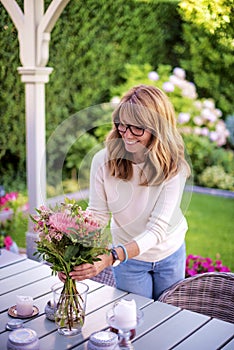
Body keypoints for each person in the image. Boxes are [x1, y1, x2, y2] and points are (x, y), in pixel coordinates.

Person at [59, 84, 191, 300]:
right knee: (133, 318)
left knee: (167, 317)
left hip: (169, 253)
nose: (127, 135)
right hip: (129, 261)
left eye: (137, 128)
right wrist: (73, 251)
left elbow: (157, 230)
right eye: (122, 125)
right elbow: (98, 213)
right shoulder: (103, 160)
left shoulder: (174, 168)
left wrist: (112, 256)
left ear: (157, 129)